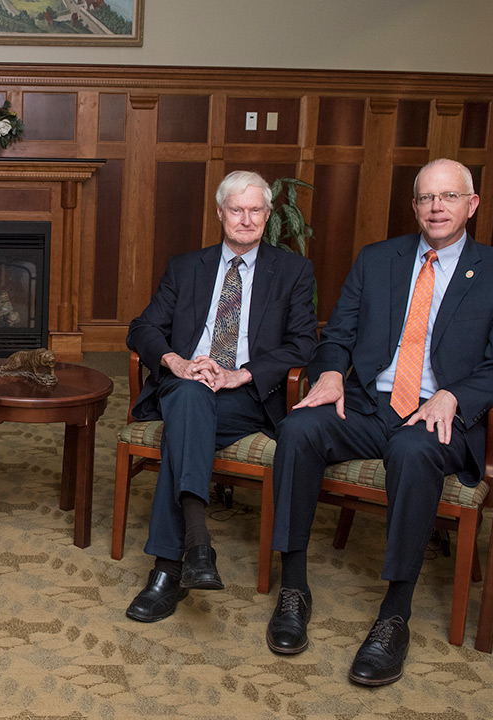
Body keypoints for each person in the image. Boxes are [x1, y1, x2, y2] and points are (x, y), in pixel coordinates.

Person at [267, 158, 493, 686]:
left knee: (413, 451)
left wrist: (455, 396)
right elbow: (338, 333)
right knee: (298, 428)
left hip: (438, 413)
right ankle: (293, 586)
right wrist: (328, 374)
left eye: (449, 197)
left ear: (471, 205)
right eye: (427, 198)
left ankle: (395, 614)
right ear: (414, 206)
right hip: (370, 403)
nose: (437, 207)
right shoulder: (377, 259)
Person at [123, 170, 317, 623]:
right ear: (219, 213)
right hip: (184, 381)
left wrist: (238, 374)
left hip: (245, 395)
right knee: (190, 398)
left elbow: (303, 344)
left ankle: (170, 567)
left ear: (269, 216)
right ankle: (195, 549)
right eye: (236, 209)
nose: (245, 219)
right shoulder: (187, 266)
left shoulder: (292, 271)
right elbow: (142, 328)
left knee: (186, 424)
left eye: (255, 210)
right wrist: (178, 363)